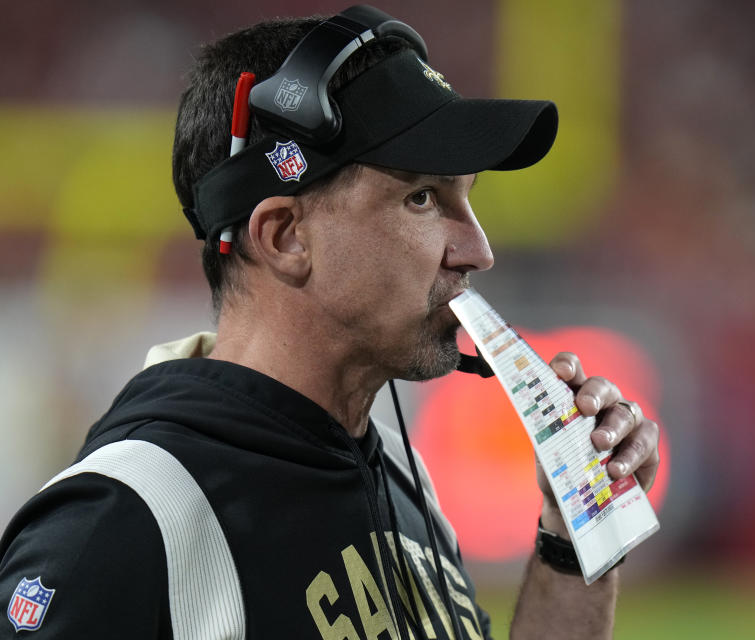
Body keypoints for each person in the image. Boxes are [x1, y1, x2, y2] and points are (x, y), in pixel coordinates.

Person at [0, 6, 660, 639]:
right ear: (285, 237)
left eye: (469, 200)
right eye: (423, 198)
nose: (478, 251)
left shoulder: (402, 478)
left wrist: (575, 536)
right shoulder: (128, 519)